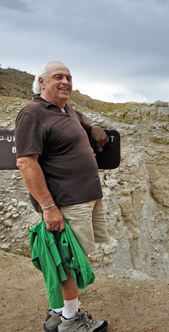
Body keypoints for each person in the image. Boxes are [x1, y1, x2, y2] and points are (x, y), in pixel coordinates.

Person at [15, 61, 109, 332]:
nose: (66, 81)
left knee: (70, 255)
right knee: (68, 258)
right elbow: (26, 163)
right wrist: (48, 207)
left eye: (69, 77)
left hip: (83, 197)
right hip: (64, 201)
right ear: (41, 82)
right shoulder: (33, 113)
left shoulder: (64, 109)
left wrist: (93, 126)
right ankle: (70, 320)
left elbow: (78, 115)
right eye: (58, 77)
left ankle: (58, 313)